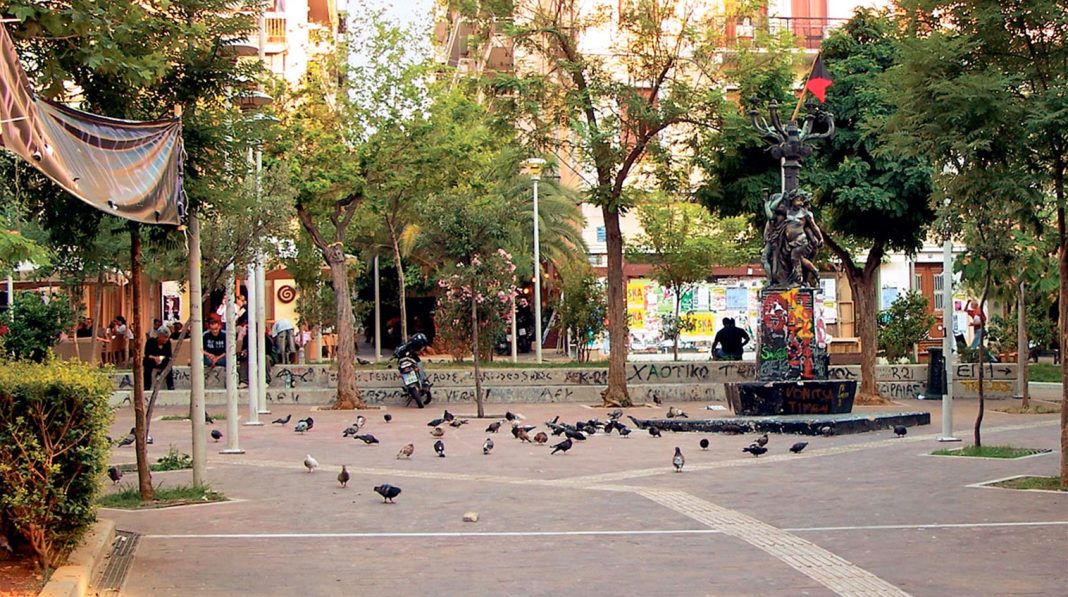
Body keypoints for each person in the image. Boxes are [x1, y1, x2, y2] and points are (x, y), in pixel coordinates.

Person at [143, 325, 174, 390]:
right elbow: (147, 354)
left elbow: (168, 355)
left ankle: (170, 385)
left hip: (163, 360)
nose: (166, 339)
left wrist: (160, 358)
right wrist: (155, 358)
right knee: (146, 362)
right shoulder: (150, 341)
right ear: (160, 336)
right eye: (165, 337)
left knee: (168, 364)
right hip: (152, 360)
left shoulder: (168, 343)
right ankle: (147, 385)